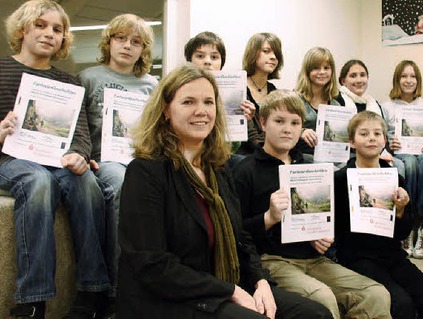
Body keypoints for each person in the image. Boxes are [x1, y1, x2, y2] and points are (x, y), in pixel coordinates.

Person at [117, 64, 331, 319]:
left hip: (224, 284)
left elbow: (241, 237)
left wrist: (260, 282)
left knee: (314, 314)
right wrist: (230, 291)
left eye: (209, 102)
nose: (201, 111)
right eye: (188, 102)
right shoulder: (146, 172)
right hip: (171, 298)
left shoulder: (218, 168)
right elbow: (153, 266)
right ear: (165, 110)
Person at [234, 89, 391, 319]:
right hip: (272, 260)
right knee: (323, 298)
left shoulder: (310, 167)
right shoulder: (245, 170)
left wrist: (321, 233)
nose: (288, 129)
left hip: (313, 258)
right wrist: (268, 218)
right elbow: (235, 233)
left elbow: (321, 215)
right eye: (279, 121)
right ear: (263, 122)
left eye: (295, 123)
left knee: (376, 294)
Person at [0, 1, 112, 318]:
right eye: (41, 25)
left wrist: (80, 155)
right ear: (22, 29)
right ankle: (32, 300)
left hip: (56, 160)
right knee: (37, 181)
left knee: (88, 183)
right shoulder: (0, 71)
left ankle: (93, 294)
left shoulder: (69, 82)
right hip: (9, 160)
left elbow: (80, 133)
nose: (50, 33)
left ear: (64, 39)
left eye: (58, 29)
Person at [334, 111, 423, 319]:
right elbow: (336, 229)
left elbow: (403, 233)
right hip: (356, 257)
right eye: (364, 134)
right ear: (351, 142)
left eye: (377, 134)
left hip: (391, 254)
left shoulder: (394, 177)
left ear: (385, 140)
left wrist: (402, 210)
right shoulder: (340, 179)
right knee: (399, 304)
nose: (371, 138)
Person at [78, 14, 158, 304]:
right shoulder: (89, 77)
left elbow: (158, 127)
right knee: (123, 185)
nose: (127, 46)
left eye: (136, 42)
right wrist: (82, 155)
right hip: (104, 160)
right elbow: (78, 124)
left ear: (144, 49)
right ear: (108, 41)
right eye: (121, 38)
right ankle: (117, 291)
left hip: (142, 158)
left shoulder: (151, 84)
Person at [381, 60, 423, 258]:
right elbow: (382, 135)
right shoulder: (387, 106)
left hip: (422, 152)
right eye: (404, 76)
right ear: (397, 79)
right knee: (411, 164)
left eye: (412, 76)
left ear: (418, 80)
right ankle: (407, 223)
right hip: (401, 153)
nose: (408, 80)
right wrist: (390, 143)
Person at [183, 31, 256, 168]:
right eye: (200, 56)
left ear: (221, 63)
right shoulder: (179, 90)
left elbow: (234, 144)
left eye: (214, 57)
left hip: (223, 154)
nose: (207, 61)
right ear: (189, 61)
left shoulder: (235, 90)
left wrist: (246, 120)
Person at [236, 32, 283, 155]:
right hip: (244, 154)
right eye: (266, 51)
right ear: (253, 53)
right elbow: (249, 136)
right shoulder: (238, 87)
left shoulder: (274, 92)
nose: (273, 57)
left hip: (270, 152)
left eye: (276, 54)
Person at [293, 47, 340, 161]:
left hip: (331, 159)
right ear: (307, 71)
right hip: (301, 157)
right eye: (316, 68)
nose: (322, 72)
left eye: (326, 68)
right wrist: (302, 131)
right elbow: (282, 128)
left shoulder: (336, 105)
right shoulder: (294, 100)